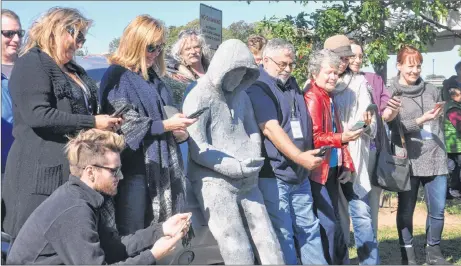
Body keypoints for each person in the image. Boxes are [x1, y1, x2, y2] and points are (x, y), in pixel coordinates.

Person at [1, 7, 122, 240]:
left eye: (83, 38)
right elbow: (38, 115)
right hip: (39, 175)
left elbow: (87, 109)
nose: (79, 44)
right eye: (76, 36)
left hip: (71, 173)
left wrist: (105, 121)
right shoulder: (32, 62)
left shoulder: (74, 68)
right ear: (56, 29)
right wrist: (92, 122)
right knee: (37, 245)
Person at [6, 129, 191, 265]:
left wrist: (161, 229)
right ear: (90, 172)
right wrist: (153, 255)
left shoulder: (84, 198)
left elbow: (114, 248)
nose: (120, 176)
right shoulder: (74, 210)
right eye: (114, 171)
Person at [183, 39, 284, 265]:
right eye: (234, 73)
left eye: (243, 74)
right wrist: (232, 166)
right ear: (222, 69)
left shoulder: (243, 96)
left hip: (247, 178)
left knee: (267, 237)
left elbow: (251, 130)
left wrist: (251, 157)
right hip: (214, 181)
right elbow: (197, 145)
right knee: (235, 243)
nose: (238, 79)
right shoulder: (199, 96)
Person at [100, 15, 197, 236]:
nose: (155, 53)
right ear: (136, 43)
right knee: (133, 235)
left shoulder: (153, 77)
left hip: (162, 165)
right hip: (133, 168)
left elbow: (167, 114)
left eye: (160, 47)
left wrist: (180, 130)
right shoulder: (117, 75)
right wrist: (166, 125)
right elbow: (127, 123)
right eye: (151, 47)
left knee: (161, 237)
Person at [246, 38, 327, 265]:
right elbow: (270, 128)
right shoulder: (258, 86)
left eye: (291, 64)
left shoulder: (291, 83)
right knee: (284, 235)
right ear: (265, 60)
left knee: (308, 229)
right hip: (275, 175)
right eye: (282, 64)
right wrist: (300, 157)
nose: (288, 69)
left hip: (299, 173)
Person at [387, 46, 449, 265]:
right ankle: (408, 254)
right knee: (406, 210)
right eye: (410, 65)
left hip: (435, 156)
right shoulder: (391, 91)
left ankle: (434, 251)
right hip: (408, 161)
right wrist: (421, 120)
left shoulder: (432, 90)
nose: (415, 70)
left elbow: (437, 123)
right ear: (399, 65)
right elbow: (394, 127)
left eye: (418, 66)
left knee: (438, 209)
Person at [304, 48, 363, 265]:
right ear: (314, 73)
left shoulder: (327, 96)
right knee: (328, 224)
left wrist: (346, 162)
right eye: (328, 72)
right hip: (319, 171)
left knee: (336, 223)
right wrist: (342, 137)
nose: (333, 77)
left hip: (332, 169)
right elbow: (316, 137)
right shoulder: (313, 97)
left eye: (335, 73)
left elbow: (337, 135)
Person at [328, 35, 380, 265]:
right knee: (335, 216)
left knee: (360, 212)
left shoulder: (359, 83)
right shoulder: (316, 83)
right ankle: (341, 261)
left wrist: (364, 124)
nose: (344, 61)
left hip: (353, 158)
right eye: (341, 56)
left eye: (347, 57)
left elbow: (369, 122)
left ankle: (369, 261)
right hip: (327, 159)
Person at [347, 39, 402, 235]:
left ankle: (371, 249)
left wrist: (392, 110)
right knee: (344, 206)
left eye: (361, 56)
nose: (357, 60)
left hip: (372, 149)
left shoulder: (373, 80)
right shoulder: (334, 80)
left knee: (370, 203)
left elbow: (385, 115)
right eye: (353, 56)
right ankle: (343, 250)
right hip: (345, 150)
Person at [164, 28, 211, 105]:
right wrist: (179, 66)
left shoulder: (211, 69)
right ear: (180, 53)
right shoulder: (179, 76)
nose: (193, 52)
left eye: (196, 47)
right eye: (187, 49)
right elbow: (163, 60)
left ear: (202, 48)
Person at [1, 9, 22, 175]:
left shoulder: (32, 70)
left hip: (26, 165)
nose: (16, 39)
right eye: (8, 33)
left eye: (19, 33)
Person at [444, 87, 461, 198]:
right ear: (453, 96)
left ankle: (452, 192)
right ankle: (452, 191)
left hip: (452, 144)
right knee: (453, 168)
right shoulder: (453, 108)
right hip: (455, 144)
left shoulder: (452, 106)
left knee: (452, 169)